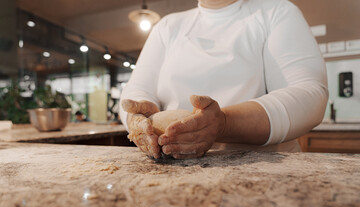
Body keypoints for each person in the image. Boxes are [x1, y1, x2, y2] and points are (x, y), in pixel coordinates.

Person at [119, 0, 328, 159]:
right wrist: (137, 120)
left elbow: (309, 94)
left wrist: (224, 123)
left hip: (260, 172)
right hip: (170, 170)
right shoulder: (168, 26)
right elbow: (136, 90)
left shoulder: (276, 11)